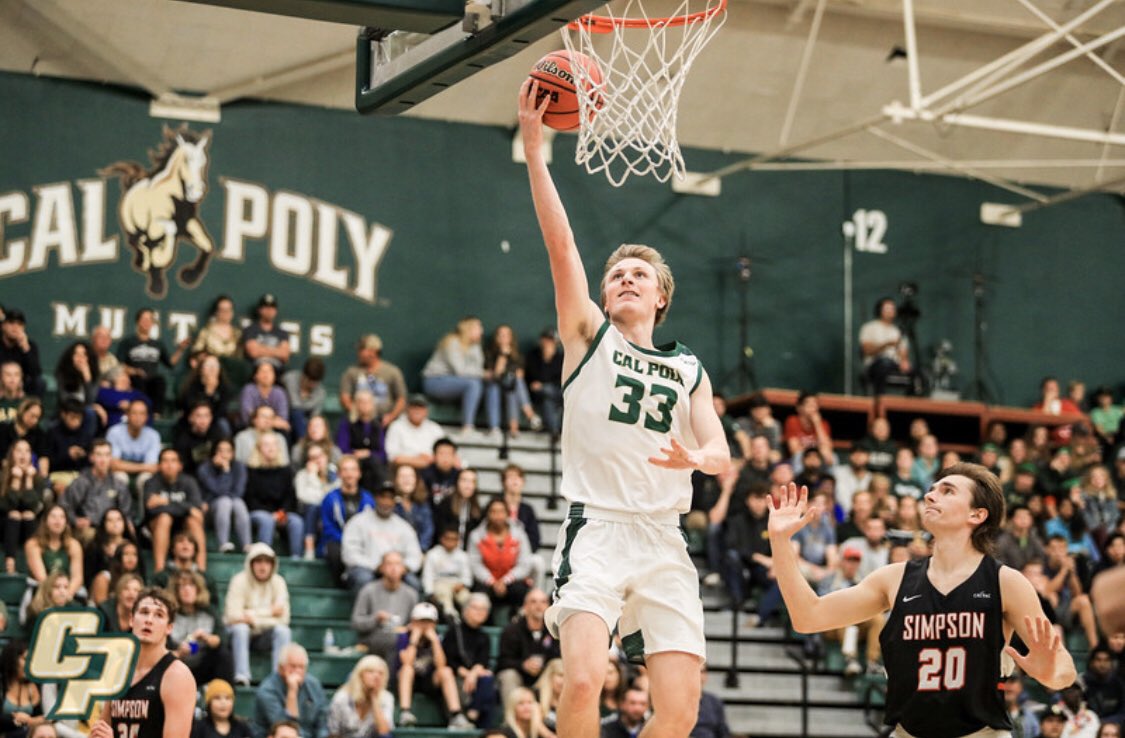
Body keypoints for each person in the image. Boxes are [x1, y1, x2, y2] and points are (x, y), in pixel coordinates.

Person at [519, 80, 731, 738]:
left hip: (664, 539)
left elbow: (721, 454)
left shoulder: (686, 365)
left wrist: (694, 456)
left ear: (660, 298)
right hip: (599, 530)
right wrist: (534, 148)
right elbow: (561, 250)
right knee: (582, 679)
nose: (625, 278)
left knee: (681, 711)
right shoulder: (587, 335)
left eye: (639, 274)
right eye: (617, 274)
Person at [767, 463, 1078, 738]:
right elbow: (808, 617)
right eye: (930, 490)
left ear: (977, 514)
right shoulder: (894, 578)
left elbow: (1064, 668)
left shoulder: (1005, 582)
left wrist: (1049, 672)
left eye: (947, 491)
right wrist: (781, 543)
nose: (930, 496)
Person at [89, 588, 196, 738]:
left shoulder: (177, 676)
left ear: (169, 628)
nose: (149, 620)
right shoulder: (118, 669)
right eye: (144, 612)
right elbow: (102, 729)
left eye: (159, 615)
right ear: (132, 620)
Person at [395, 601, 473, 729]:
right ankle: (405, 713)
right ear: (413, 621)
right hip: (407, 680)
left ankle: (456, 715)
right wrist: (414, 640)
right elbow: (407, 662)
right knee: (407, 669)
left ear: (435, 623)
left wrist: (435, 642)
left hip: (429, 681)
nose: (425, 626)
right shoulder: (404, 637)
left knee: (446, 671)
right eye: (421, 621)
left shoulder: (436, 638)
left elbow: (441, 664)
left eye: (429, 622)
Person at [224, 544, 292, 687]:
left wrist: (252, 616)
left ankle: (277, 680)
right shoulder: (239, 580)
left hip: (264, 636)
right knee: (241, 628)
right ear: (251, 563)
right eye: (258, 561)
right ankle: (242, 677)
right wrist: (269, 612)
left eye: (267, 562)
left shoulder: (279, 582)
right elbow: (232, 616)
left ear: (273, 565)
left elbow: (283, 619)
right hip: (238, 636)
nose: (263, 566)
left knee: (283, 631)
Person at [341, 483, 423, 592]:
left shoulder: (404, 527)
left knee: (414, 584)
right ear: (375, 498)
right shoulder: (358, 521)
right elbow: (349, 554)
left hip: (396, 572)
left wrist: (401, 568)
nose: (386, 502)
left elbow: (415, 557)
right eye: (382, 497)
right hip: (366, 570)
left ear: (395, 501)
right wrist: (377, 566)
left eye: (390, 498)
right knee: (363, 579)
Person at [142, 448, 206, 573]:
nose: (169, 465)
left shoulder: (189, 482)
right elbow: (151, 509)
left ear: (180, 466)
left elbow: (197, 512)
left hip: (183, 529)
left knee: (194, 521)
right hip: (155, 530)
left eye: (173, 461)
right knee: (164, 517)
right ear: (159, 465)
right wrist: (186, 507)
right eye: (165, 461)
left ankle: (201, 570)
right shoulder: (151, 482)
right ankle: (159, 570)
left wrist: (165, 501)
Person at [350, 551, 417, 665]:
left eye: (397, 564)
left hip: (401, 639)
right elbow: (356, 622)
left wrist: (407, 628)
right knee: (391, 640)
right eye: (389, 564)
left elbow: (414, 623)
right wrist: (375, 619)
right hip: (373, 637)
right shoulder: (368, 590)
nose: (393, 568)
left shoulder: (411, 594)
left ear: (403, 569)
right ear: (381, 568)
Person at [117, 308, 188, 415]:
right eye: (144, 319)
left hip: (152, 379)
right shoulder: (128, 342)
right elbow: (119, 364)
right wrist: (133, 371)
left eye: (149, 319)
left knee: (160, 381)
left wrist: (180, 350)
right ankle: (139, 411)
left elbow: (170, 363)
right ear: (138, 321)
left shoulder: (157, 344)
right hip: (135, 378)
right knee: (138, 380)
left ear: (153, 323)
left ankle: (156, 413)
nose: (146, 322)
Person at [422, 317, 486, 434]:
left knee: (478, 383)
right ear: (468, 328)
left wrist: (481, 373)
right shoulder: (452, 342)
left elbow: (478, 368)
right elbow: (460, 371)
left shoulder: (475, 347)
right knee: (473, 384)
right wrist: (483, 374)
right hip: (435, 382)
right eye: (478, 327)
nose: (481, 331)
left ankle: (490, 428)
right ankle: (467, 426)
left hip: (455, 383)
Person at [469, 498, 535, 613]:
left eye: (501, 511)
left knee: (521, 589)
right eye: (493, 512)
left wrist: (505, 581)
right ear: (487, 514)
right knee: (478, 592)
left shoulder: (519, 534)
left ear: (507, 514)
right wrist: (492, 581)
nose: (497, 516)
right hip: (487, 582)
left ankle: (519, 618)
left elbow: (524, 563)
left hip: (511, 581)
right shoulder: (476, 536)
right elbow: (475, 564)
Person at [497, 589, 561, 704]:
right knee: (508, 675)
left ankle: (552, 717)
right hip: (520, 677)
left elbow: (558, 659)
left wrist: (544, 666)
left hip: (544, 678)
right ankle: (511, 720)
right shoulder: (511, 630)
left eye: (543, 602)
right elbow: (503, 662)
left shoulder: (554, 631)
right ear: (525, 606)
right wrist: (523, 665)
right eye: (533, 602)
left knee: (559, 673)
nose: (539, 606)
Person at [250, 644, 328, 738]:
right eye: (293, 666)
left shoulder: (314, 685)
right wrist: (292, 691)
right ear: (281, 668)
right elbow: (285, 729)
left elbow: (322, 724)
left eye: (301, 667)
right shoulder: (267, 690)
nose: (297, 671)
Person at [444, 592, 497, 727]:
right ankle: (476, 722)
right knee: (486, 686)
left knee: (487, 678)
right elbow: (448, 660)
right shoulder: (453, 632)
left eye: (484, 609)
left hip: (475, 679)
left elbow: (482, 662)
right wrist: (468, 675)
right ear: (465, 609)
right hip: (456, 677)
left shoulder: (484, 637)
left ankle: (473, 716)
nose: (480, 612)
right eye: (475, 608)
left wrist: (472, 675)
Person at [245, 434, 302, 559]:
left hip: (281, 513)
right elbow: (250, 499)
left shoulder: (286, 471)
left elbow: (290, 497)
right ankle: (263, 558)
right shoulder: (251, 471)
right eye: (266, 445)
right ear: (259, 448)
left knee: (296, 521)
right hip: (257, 512)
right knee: (266, 520)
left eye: (274, 444)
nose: (271, 448)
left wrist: (281, 513)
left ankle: (296, 558)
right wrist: (271, 514)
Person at [319, 455, 373, 585]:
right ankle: (341, 583)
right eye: (345, 470)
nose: (349, 474)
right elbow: (328, 527)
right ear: (339, 474)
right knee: (334, 551)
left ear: (359, 473)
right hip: (337, 542)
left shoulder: (368, 499)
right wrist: (346, 540)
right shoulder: (330, 498)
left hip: (361, 542)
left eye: (353, 470)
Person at [484, 324, 543, 437]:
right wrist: (503, 355)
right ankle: (529, 415)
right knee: (512, 383)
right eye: (500, 335)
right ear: (496, 338)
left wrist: (507, 374)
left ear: (511, 338)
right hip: (495, 387)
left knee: (513, 385)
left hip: (511, 388)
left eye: (506, 335)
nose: (503, 338)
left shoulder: (517, 355)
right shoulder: (490, 353)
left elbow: (519, 375)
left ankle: (514, 430)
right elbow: (496, 375)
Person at [197, 438, 251, 554]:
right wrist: (225, 471)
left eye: (228, 451)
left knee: (238, 503)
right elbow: (218, 490)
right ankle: (223, 544)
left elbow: (238, 492)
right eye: (220, 450)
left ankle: (247, 545)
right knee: (225, 502)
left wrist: (225, 471)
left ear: (233, 453)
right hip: (210, 510)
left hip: (233, 508)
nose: (224, 455)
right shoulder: (204, 468)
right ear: (214, 452)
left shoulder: (239, 467)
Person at [339, 334, 406, 425]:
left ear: (373, 352)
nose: (358, 353)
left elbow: (401, 399)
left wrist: (391, 417)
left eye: (362, 350)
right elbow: (345, 398)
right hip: (358, 422)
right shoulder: (351, 372)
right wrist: (357, 414)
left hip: (385, 421)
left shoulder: (392, 372)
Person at [1, 440, 46, 573]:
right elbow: (4, 507)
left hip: (28, 525)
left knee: (29, 515)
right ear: (12, 454)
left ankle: (32, 562)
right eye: (19, 451)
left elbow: (34, 506)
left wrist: (28, 482)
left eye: (27, 451)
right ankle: (10, 562)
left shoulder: (37, 479)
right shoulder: (2, 476)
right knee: (14, 514)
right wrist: (15, 481)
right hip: (4, 525)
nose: (23, 455)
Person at [327, 656, 394, 738]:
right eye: (370, 671)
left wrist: (374, 699)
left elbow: (384, 731)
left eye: (381, 673)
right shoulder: (342, 697)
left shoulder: (387, 698)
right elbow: (333, 733)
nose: (376, 676)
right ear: (360, 675)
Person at [335, 390, 386, 493]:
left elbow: (383, 453)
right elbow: (342, 448)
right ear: (356, 404)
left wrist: (368, 453)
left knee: (374, 465)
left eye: (368, 402)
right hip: (353, 460)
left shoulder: (377, 426)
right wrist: (355, 455)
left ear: (372, 405)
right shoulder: (347, 423)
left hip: (373, 465)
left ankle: (378, 496)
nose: (365, 405)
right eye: (361, 402)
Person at [859, 298, 913, 396]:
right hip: (875, 365)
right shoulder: (869, 328)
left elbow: (904, 355)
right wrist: (886, 344)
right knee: (884, 363)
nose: (891, 311)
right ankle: (880, 401)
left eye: (893, 309)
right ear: (880, 310)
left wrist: (904, 362)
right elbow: (866, 350)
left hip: (895, 365)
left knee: (916, 374)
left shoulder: (898, 332)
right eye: (887, 309)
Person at [107, 399, 161, 489]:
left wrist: (124, 465)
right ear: (127, 415)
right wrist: (143, 467)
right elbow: (113, 465)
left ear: (147, 417)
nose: (138, 417)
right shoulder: (114, 432)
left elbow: (152, 467)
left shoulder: (153, 435)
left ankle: (143, 503)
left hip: (141, 474)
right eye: (134, 413)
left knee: (146, 478)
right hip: (120, 473)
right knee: (119, 477)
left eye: (142, 414)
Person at [423, 525, 473, 618]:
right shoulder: (433, 554)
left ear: (458, 541)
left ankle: (468, 618)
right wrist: (430, 592)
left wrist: (462, 584)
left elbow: (467, 576)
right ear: (442, 539)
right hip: (439, 583)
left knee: (467, 598)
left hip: (457, 584)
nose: (450, 542)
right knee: (444, 593)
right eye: (448, 538)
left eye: (454, 539)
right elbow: (428, 575)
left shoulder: (463, 556)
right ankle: (450, 616)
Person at [384, 395, 446, 470]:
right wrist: (420, 460)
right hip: (403, 470)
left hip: (431, 472)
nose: (417, 410)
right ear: (407, 409)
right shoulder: (396, 426)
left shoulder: (435, 428)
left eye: (420, 408)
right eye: (414, 407)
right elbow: (393, 458)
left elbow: (445, 452)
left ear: (426, 411)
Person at [0, 640, 45, 738]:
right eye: (25, 659)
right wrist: (18, 720)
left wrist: (30, 721)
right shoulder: (2, 683)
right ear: (12, 660)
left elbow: (44, 718)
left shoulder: (35, 685)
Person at [525, 328, 563, 436]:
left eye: (552, 341)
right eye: (547, 340)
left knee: (549, 393)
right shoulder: (533, 355)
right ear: (542, 340)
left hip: (558, 392)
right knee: (547, 398)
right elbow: (534, 379)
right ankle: (554, 432)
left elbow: (560, 381)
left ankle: (555, 432)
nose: (549, 343)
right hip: (538, 394)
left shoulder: (561, 357)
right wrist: (546, 359)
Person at [173, 402, 227, 476]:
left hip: (215, 474)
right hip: (192, 477)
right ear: (190, 418)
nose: (203, 420)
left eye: (206, 416)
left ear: (211, 418)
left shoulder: (217, 433)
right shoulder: (183, 439)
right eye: (198, 416)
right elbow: (182, 466)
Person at [241, 295, 291, 374]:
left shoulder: (282, 333)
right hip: (255, 371)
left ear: (275, 311)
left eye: (272, 308)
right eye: (266, 307)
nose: (269, 311)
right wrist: (276, 350)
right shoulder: (250, 330)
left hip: (277, 372)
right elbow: (253, 352)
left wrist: (261, 349)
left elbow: (284, 355)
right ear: (260, 310)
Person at [280, 358, 326, 441]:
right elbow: (294, 405)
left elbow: (315, 415)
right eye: (310, 381)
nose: (312, 385)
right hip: (285, 417)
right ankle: (303, 442)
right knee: (296, 413)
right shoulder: (289, 379)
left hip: (305, 422)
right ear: (303, 375)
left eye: (315, 382)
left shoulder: (320, 392)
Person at [783, 392, 835, 466]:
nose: (813, 409)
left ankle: (828, 478)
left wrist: (817, 425)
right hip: (800, 459)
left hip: (817, 459)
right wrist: (811, 455)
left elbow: (827, 447)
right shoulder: (792, 421)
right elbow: (794, 450)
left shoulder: (823, 424)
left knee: (832, 457)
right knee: (799, 457)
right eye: (809, 405)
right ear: (799, 408)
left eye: (815, 405)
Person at [0, 310, 43, 398]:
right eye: (11, 323)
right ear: (3, 326)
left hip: (21, 386)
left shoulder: (29, 346)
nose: (15, 327)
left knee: (39, 383)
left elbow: (35, 373)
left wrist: (26, 349)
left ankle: (29, 407)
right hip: (2, 382)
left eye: (19, 324)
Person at [239, 362, 289, 434]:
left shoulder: (279, 392)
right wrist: (271, 422)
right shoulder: (249, 390)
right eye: (262, 371)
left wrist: (263, 421)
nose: (266, 374)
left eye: (269, 371)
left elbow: (283, 417)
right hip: (251, 427)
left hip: (274, 430)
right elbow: (247, 416)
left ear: (274, 376)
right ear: (255, 375)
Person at [192, 296, 243, 362]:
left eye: (229, 309)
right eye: (222, 310)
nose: (226, 313)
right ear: (216, 312)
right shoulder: (206, 331)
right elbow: (196, 352)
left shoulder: (237, 333)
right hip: (212, 367)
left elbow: (240, 356)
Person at [690, 663, 729, 738]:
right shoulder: (679, 702)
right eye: (695, 672)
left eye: (702, 672)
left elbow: (723, 732)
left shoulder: (714, 701)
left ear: (706, 675)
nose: (699, 676)